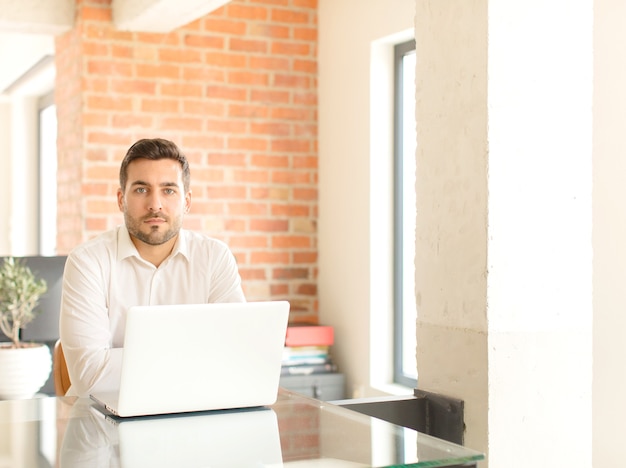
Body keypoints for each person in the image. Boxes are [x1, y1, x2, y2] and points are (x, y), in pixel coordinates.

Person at [59, 138, 246, 397]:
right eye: (141, 189)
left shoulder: (214, 257)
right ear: (121, 199)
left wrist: (120, 362)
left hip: (193, 413)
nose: (155, 204)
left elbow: (236, 359)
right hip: (101, 424)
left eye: (168, 190)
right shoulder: (88, 262)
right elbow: (89, 378)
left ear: (187, 201)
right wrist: (196, 357)